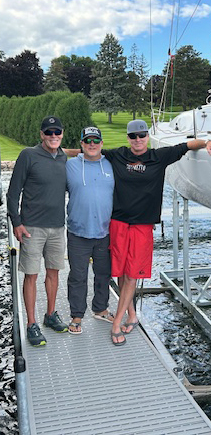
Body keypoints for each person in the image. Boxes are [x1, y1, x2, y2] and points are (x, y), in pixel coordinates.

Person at [102, 119, 211, 345]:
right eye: (133, 136)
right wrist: (57, 151)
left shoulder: (159, 157)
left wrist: (207, 142)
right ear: (128, 138)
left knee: (131, 275)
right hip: (118, 223)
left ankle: (116, 322)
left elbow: (187, 145)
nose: (138, 140)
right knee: (120, 272)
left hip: (142, 226)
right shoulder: (118, 155)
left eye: (141, 135)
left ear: (147, 137)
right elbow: (89, 151)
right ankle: (132, 315)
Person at [7, 115, 69, 346]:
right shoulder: (28, 155)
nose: (53, 136)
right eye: (49, 132)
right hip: (32, 227)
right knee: (31, 275)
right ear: (42, 134)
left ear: (62, 134)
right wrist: (17, 223)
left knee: (53, 273)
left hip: (57, 227)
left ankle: (50, 315)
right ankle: (31, 323)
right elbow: (13, 193)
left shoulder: (64, 158)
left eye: (57, 132)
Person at [66, 127, 115, 334]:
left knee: (103, 274)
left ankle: (101, 309)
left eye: (96, 140)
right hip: (78, 232)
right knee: (78, 276)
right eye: (88, 141)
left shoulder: (111, 165)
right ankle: (77, 316)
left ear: (102, 144)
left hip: (105, 232)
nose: (92, 144)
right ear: (82, 144)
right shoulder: (69, 166)